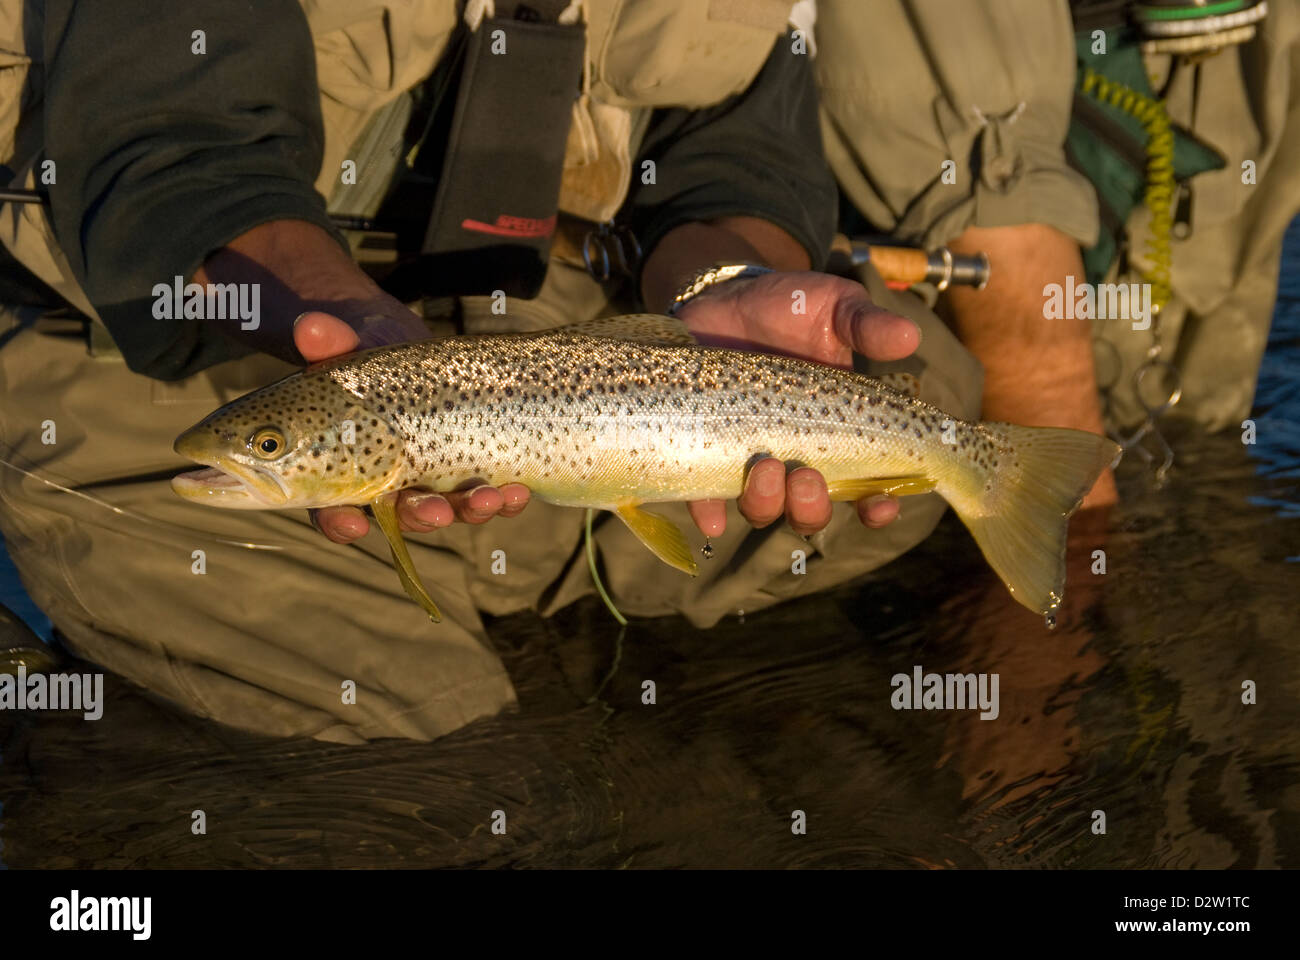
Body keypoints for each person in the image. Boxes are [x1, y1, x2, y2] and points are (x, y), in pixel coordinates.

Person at [0, 0, 981, 742]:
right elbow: (173, 148)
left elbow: (738, 144)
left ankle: (520, 588)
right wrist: (335, 317)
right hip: (180, 322)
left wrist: (727, 275)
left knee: (934, 394)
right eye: (270, 448)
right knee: (433, 748)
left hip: (533, 328)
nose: (262, 452)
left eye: (269, 447)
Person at [813, 0, 1300, 477]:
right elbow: (1008, 252)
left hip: (1232, 49)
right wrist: (1085, 539)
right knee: (1048, 485)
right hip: (1017, 114)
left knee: (1206, 456)